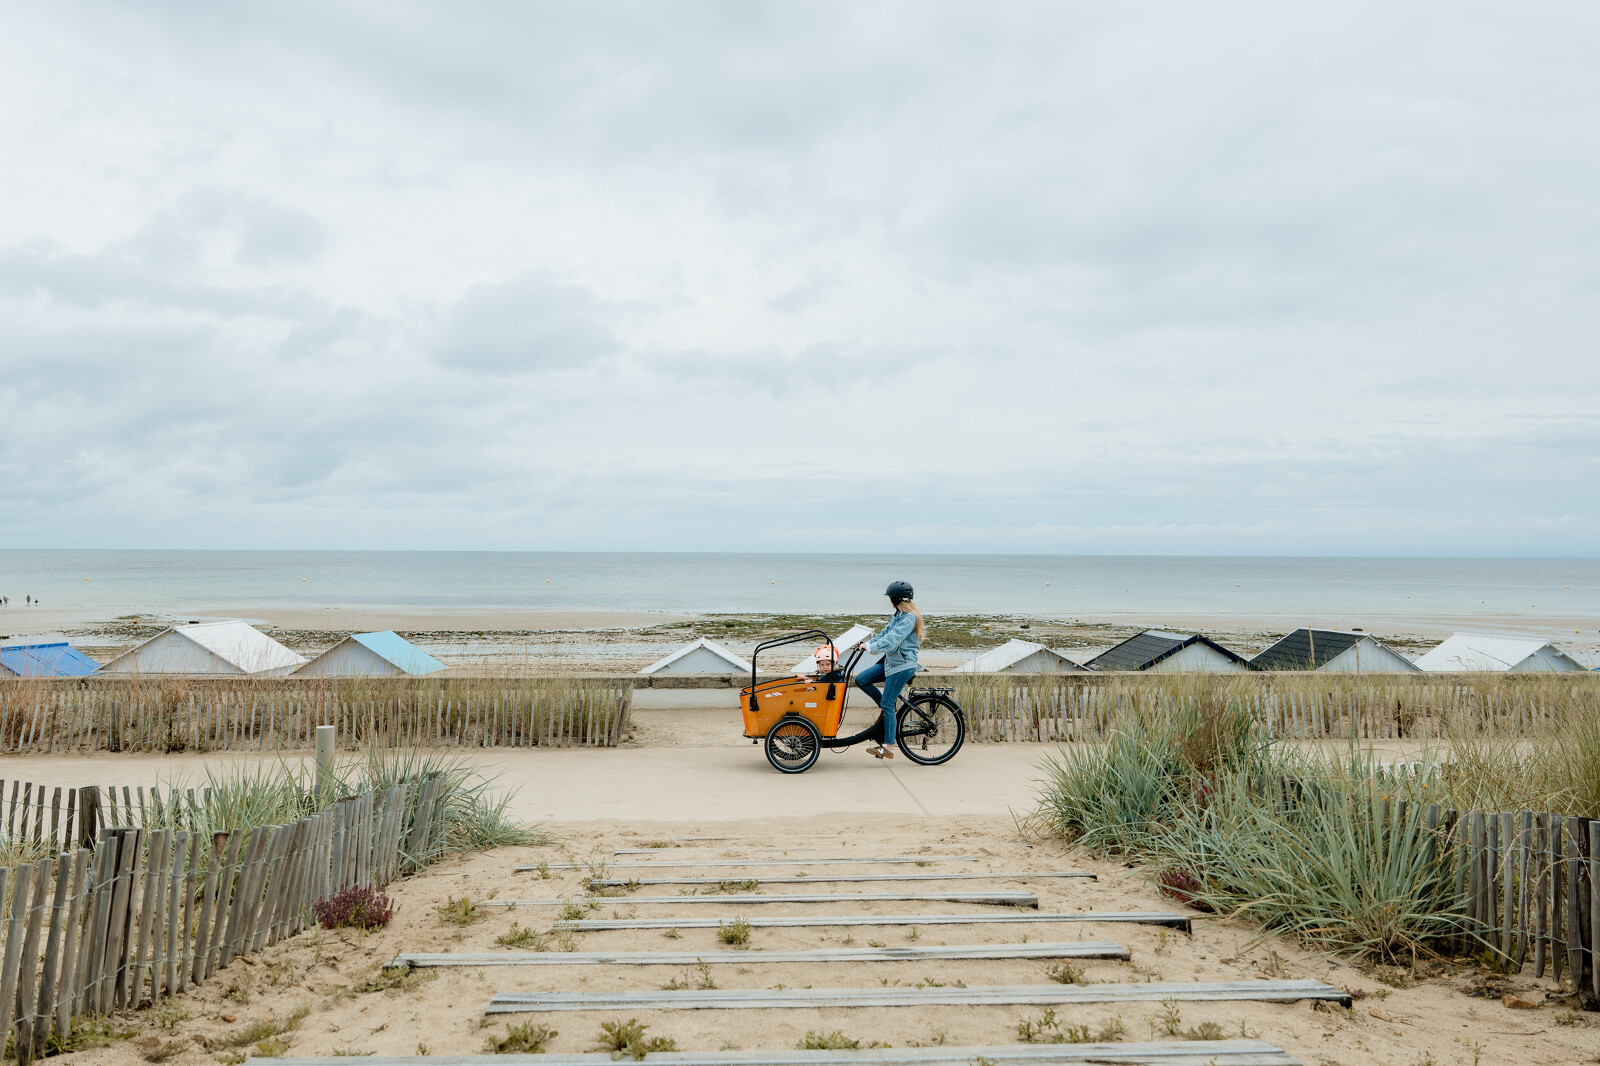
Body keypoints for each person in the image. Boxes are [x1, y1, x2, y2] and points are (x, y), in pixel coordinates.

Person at [854, 580, 924, 759]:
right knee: (861, 680)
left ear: (895, 599)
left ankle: (888, 747)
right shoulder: (899, 615)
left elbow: (893, 638)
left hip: (902, 666)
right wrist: (867, 644)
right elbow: (886, 632)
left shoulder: (910, 618)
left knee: (887, 704)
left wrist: (872, 649)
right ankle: (887, 709)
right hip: (890, 663)